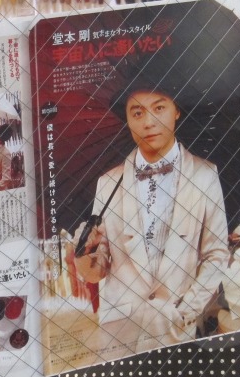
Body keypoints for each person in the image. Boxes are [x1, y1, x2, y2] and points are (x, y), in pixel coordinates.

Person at [73, 82, 230, 357]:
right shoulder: (108, 183)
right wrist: (86, 250)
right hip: (120, 331)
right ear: (127, 119)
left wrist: (185, 312)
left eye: (159, 108)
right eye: (137, 113)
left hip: (179, 330)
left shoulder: (205, 175)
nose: (148, 122)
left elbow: (216, 254)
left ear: (176, 110)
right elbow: (96, 273)